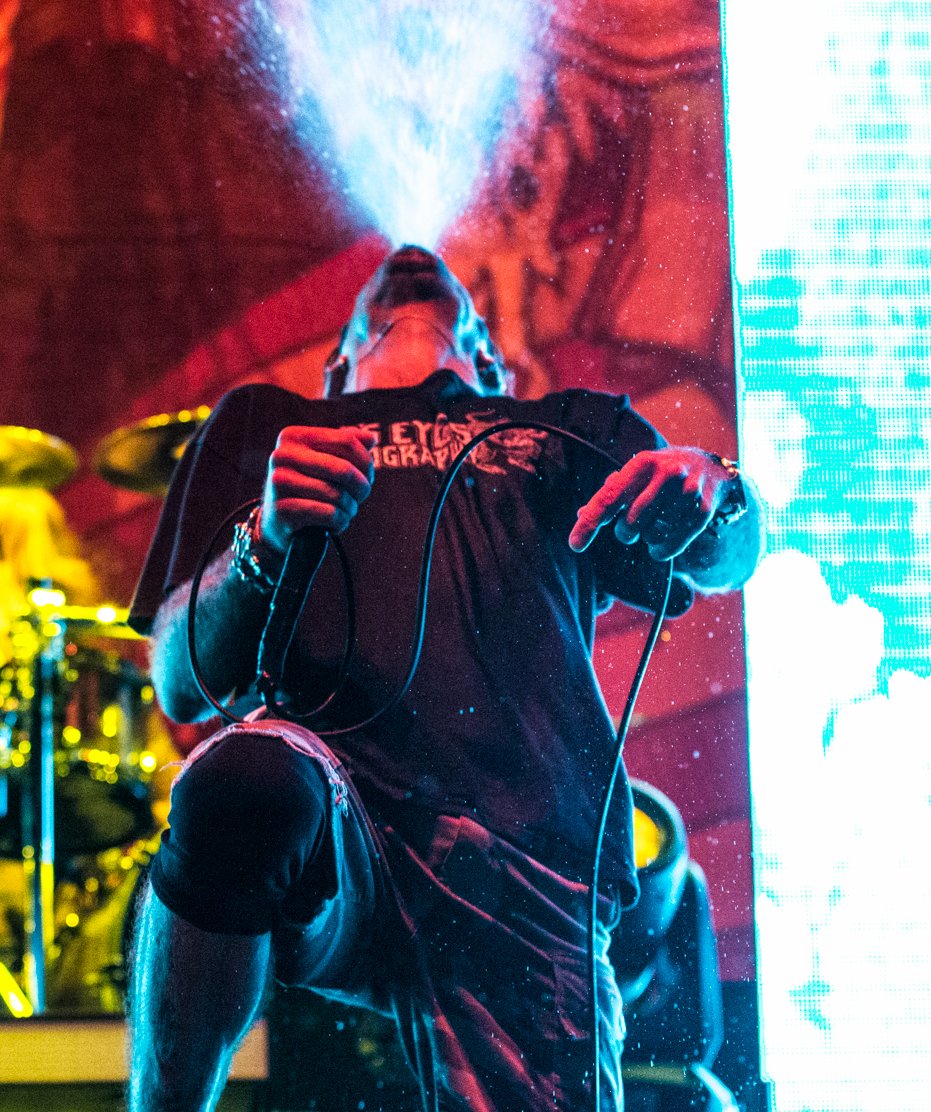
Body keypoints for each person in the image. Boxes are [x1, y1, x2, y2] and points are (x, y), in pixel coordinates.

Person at [125, 245, 760, 1112]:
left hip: (529, 854)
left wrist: (718, 496)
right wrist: (263, 541)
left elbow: (726, 558)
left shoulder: (568, 426)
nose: (412, 253)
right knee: (241, 785)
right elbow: (177, 676)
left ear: (491, 362)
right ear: (337, 364)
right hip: (337, 818)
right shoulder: (269, 424)